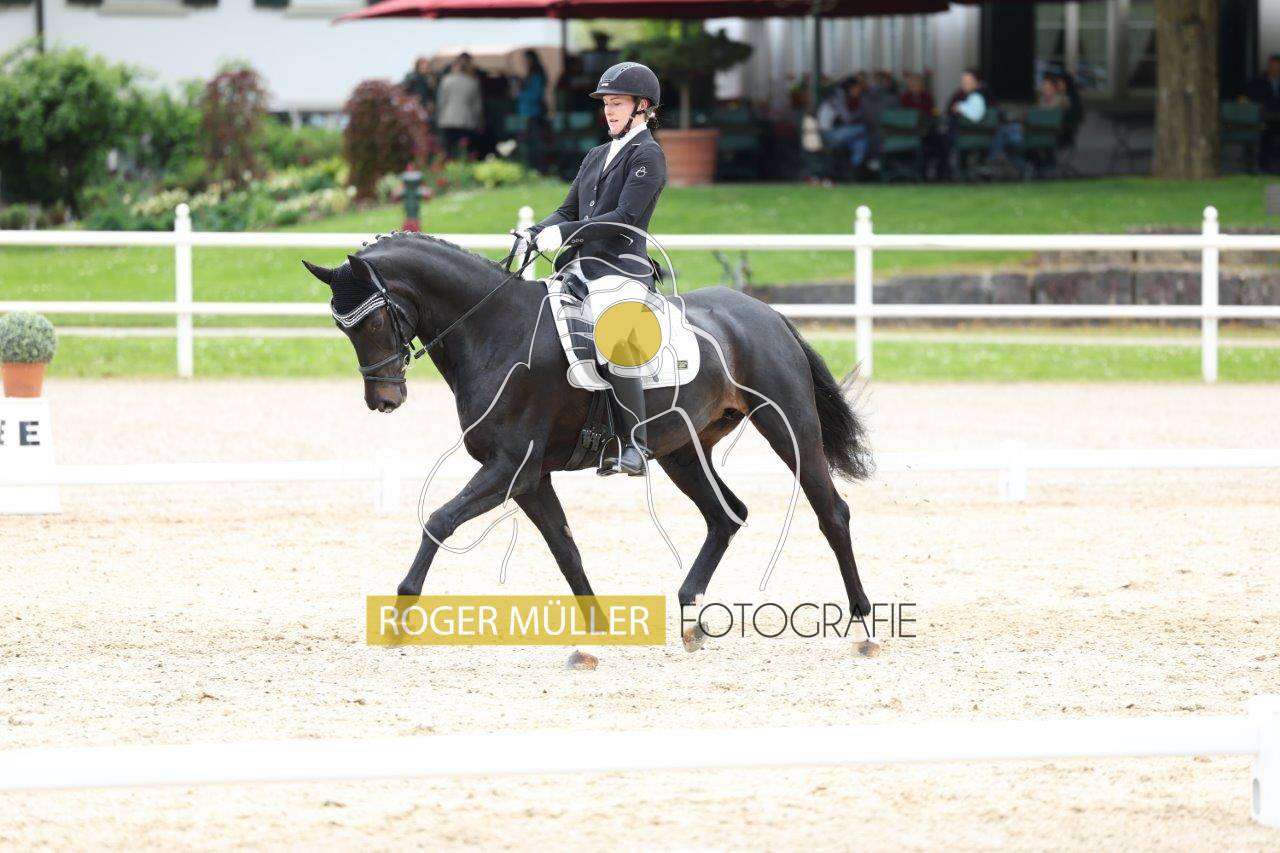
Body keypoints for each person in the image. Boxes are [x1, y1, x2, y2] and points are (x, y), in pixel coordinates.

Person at [513, 62, 667, 477]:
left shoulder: (648, 155)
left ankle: (635, 445)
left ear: (642, 106)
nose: (609, 111)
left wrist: (564, 233)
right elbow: (568, 210)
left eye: (617, 103)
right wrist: (536, 232)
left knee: (614, 335)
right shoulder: (597, 154)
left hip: (621, 269)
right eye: (606, 104)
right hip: (579, 269)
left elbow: (624, 217)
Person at [816, 76, 870, 175]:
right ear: (851, 87)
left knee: (860, 142)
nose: (859, 92)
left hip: (835, 132)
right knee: (864, 129)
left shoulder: (841, 95)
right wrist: (862, 112)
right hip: (828, 134)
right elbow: (847, 119)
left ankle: (854, 171)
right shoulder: (838, 95)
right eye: (858, 88)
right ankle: (857, 167)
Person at [435, 53, 483, 159]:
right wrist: (479, 122)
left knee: (449, 151)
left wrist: (439, 118)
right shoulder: (472, 82)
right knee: (466, 151)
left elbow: (441, 102)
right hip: (466, 121)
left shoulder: (445, 81)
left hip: (447, 120)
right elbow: (477, 106)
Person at [514, 50, 549, 169]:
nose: (524, 62)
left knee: (533, 145)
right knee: (528, 144)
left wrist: (519, 92)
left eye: (525, 60)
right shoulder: (531, 75)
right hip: (528, 114)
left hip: (533, 114)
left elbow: (535, 95)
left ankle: (537, 169)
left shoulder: (536, 75)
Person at [1246, 55, 1280, 171]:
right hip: (1266, 118)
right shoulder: (1259, 81)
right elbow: (1254, 97)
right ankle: (1264, 165)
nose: (1275, 69)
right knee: (1266, 133)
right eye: (1272, 66)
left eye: (1277, 66)